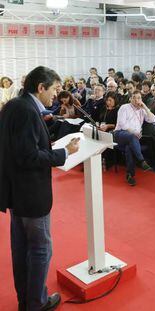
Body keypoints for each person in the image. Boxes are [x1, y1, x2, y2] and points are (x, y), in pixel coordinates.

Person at [0, 66, 80, 310]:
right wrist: (64, 152)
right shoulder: (26, 112)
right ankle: (36, 303)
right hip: (31, 194)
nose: (56, 94)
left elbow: (19, 148)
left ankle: (25, 300)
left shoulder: (14, 106)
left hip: (16, 193)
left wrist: (44, 140)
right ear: (41, 87)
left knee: (21, 249)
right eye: (54, 89)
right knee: (40, 250)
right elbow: (29, 157)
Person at [113, 91, 155, 186]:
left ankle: (130, 175)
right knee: (132, 137)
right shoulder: (124, 107)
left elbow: (153, 119)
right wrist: (134, 132)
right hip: (120, 134)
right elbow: (122, 124)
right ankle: (141, 161)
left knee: (129, 148)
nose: (136, 100)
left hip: (133, 139)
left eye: (139, 98)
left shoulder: (142, 110)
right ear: (130, 99)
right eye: (134, 98)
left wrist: (144, 107)